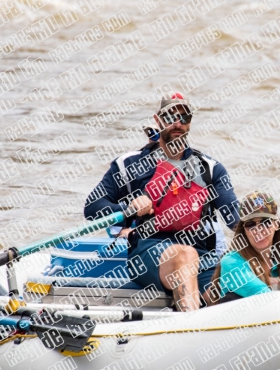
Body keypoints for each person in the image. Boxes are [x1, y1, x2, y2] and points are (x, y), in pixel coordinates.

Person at [84, 94, 239, 311]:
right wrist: (129, 209)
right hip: (147, 250)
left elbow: (235, 218)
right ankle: (190, 327)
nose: (177, 123)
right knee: (185, 255)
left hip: (201, 253)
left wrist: (264, 226)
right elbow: (92, 207)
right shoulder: (128, 165)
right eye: (170, 116)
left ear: (190, 122)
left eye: (184, 117)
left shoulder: (210, 168)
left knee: (236, 283)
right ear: (158, 120)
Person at [206, 192, 280, 303]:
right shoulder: (230, 262)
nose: (258, 230)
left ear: (276, 225)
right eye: (250, 224)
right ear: (244, 230)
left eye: (265, 222)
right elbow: (263, 295)